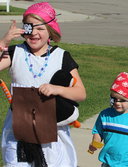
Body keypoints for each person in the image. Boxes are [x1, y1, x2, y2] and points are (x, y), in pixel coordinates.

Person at [0, 2, 86, 166]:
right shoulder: (15, 52)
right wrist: (4, 42)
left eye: (40, 28)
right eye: (30, 27)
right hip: (18, 132)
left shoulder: (62, 57)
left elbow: (80, 93)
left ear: (51, 31)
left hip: (51, 134)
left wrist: (57, 89)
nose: (34, 33)